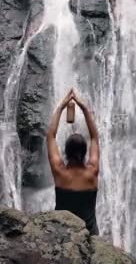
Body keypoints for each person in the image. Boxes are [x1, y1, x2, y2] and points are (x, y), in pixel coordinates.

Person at [46, 88, 100, 235]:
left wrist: (62, 106)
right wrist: (83, 107)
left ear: (66, 152)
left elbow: (50, 136)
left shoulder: (59, 172)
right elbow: (95, 137)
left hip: (62, 234)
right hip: (89, 236)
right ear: (85, 153)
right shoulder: (92, 172)